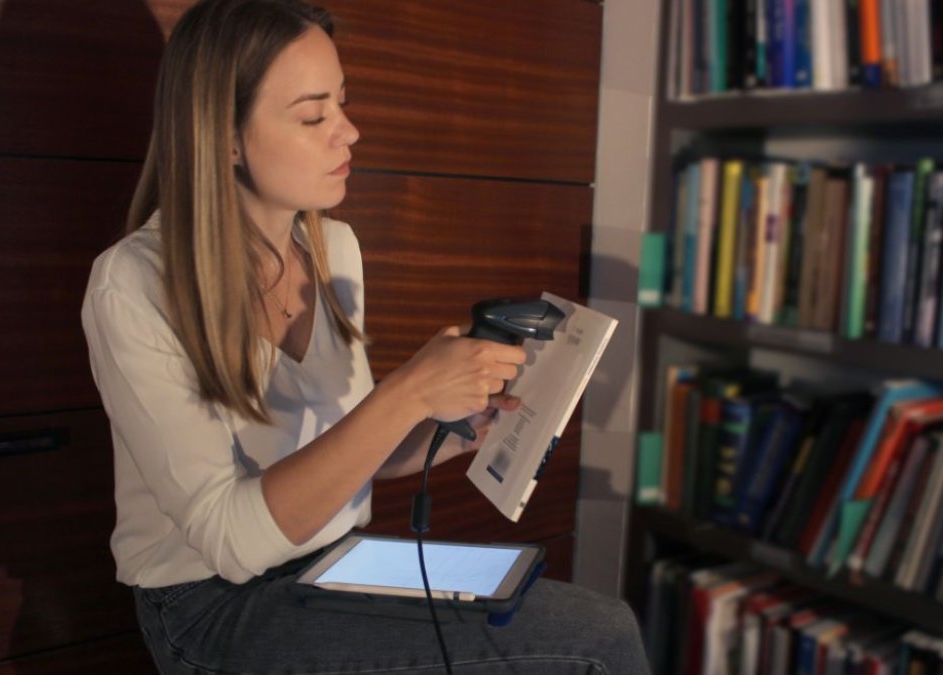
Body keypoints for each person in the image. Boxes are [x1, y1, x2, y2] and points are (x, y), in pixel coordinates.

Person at [81, 0, 651, 672]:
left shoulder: (335, 250)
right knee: (601, 640)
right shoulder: (135, 284)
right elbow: (230, 540)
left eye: (343, 105)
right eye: (314, 115)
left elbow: (350, 449)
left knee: (581, 613)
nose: (348, 132)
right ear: (223, 136)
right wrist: (408, 391)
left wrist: (463, 419)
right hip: (214, 602)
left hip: (335, 562)